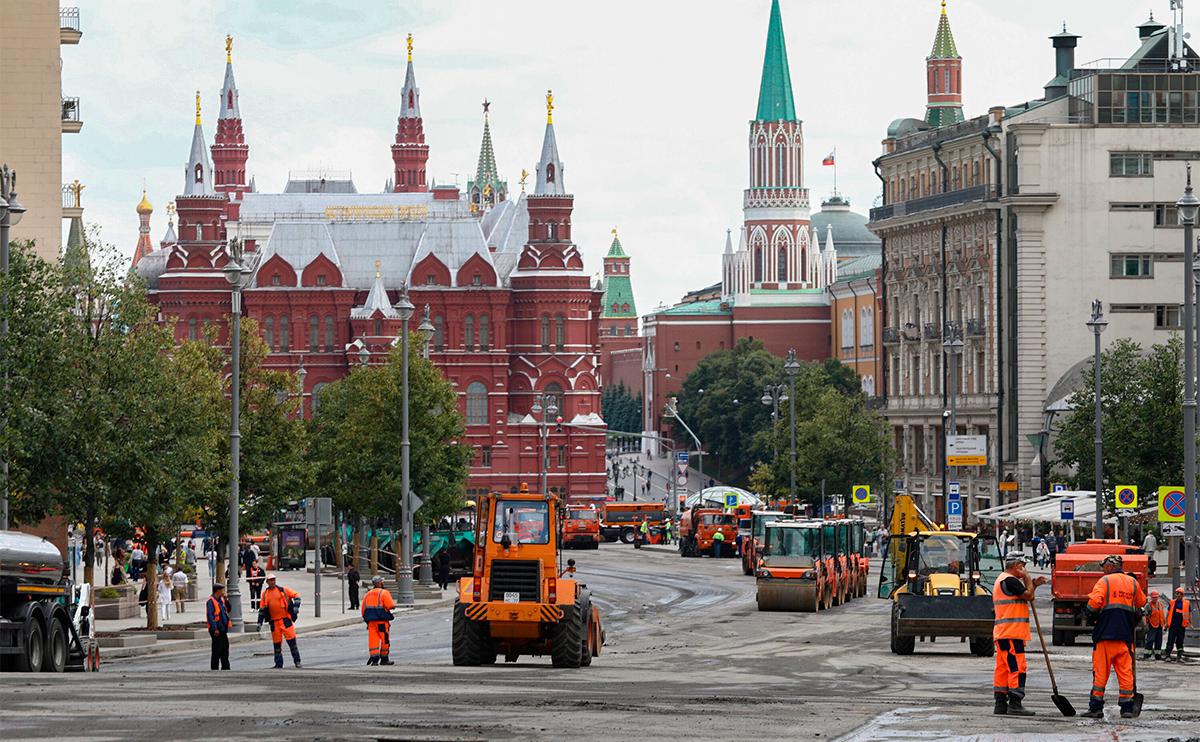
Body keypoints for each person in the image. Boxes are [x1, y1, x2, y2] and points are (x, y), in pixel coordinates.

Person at [1082, 554, 1147, 719]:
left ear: (1110, 567)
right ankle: (1126, 708)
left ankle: (1095, 707)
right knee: (1126, 673)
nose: (1103, 570)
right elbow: (1141, 602)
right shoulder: (1132, 582)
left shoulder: (1105, 581)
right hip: (1125, 637)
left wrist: (1089, 617)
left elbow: (1093, 604)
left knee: (1100, 674)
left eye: (1104, 566)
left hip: (1105, 636)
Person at [991, 552, 1048, 716]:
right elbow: (1029, 596)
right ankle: (1015, 702)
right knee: (1017, 668)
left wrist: (1033, 584)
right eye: (1024, 566)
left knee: (1003, 669)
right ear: (1017, 565)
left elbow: (1024, 595)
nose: (1025, 569)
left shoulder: (1004, 580)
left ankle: (1000, 703)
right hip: (1011, 633)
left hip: (1004, 633)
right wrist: (1028, 578)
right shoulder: (1009, 580)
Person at [258, 574, 302, 668]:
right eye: (270, 580)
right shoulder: (265, 594)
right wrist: (259, 622)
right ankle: (278, 664)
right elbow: (262, 609)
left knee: (292, 643)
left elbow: (296, 595)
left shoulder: (283, 590)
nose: (272, 581)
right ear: (267, 582)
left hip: (285, 620)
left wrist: (296, 607)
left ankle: (297, 661)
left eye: (273, 579)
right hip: (274, 622)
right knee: (277, 646)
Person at [362, 575, 397, 666]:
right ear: (380, 583)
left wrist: (367, 620)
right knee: (385, 640)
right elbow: (391, 605)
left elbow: (363, 610)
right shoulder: (384, 593)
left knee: (373, 640)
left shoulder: (368, 594)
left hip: (371, 622)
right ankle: (384, 659)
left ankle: (374, 660)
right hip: (382, 622)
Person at [206, 583, 231, 670]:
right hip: (216, 629)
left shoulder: (222, 600)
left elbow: (229, 609)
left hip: (223, 628)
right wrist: (215, 629)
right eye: (222, 590)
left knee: (225, 648)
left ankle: (225, 667)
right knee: (217, 650)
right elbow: (210, 616)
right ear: (218, 591)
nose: (223, 592)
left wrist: (226, 600)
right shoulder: (211, 601)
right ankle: (214, 668)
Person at [1164, 586, 1191, 662]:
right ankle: (1167, 655)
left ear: (1183, 595)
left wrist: (1190, 623)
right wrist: (1166, 623)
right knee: (1170, 640)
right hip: (1173, 625)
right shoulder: (1172, 602)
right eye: (1177, 593)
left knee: (1180, 641)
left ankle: (1179, 655)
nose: (1178, 595)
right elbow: (1168, 613)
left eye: (1180, 594)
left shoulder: (1187, 603)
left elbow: (1189, 614)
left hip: (1181, 625)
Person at [1142, 590, 1166, 661]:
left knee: (1159, 641)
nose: (1155, 599)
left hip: (1159, 625)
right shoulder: (1148, 605)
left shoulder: (1160, 604)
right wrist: (1145, 625)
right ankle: (1147, 655)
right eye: (1153, 597)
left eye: (1156, 597)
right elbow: (1144, 615)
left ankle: (1158, 655)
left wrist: (1165, 624)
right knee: (1150, 640)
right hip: (1152, 625)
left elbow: (1162, 615)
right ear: (1151, 598)